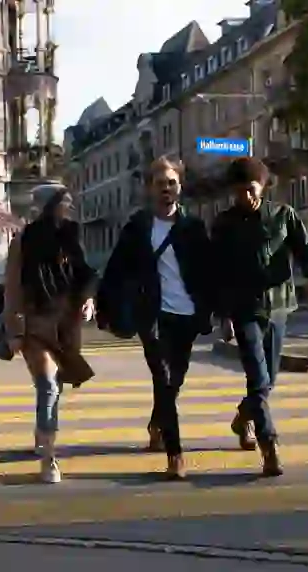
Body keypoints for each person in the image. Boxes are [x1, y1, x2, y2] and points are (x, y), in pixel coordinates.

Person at [97, 156, 213, 479]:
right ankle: (175, 454)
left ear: (180, 186)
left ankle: (156, 422)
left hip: (186, 315)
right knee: (162, 378)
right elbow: (116, 269)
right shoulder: (138, 227)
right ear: (150, 188)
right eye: (160, 183)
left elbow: (208, 273)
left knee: (174, 381)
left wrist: (218, 310)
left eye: (171, 183)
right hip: (153, 315)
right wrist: (102, 306)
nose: (166, 189)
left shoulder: (193, 227)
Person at [211, 157, 308, 476]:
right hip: (244, 308)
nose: (245, 197)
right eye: (238, 192)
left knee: (268, 382)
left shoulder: (282, 216)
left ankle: (242, 418)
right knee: (258, 379)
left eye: (250, 190)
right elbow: (218, 273)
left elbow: (306, 250)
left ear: (262, 187)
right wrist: (223, 315)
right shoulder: (224, 224)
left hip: (278, 307)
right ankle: (269, 445)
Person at [3, 184, 97, 483]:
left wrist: (88, 299)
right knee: (48, 386)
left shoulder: (71, 235)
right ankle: (49, 459)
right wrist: (15, 329)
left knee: (54, 384)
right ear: (48, 206)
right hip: (35, 322)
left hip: (65, 322)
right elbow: (13, 288)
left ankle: (41, 432)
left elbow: (85, 273)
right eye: (63, 202)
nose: (69, 207)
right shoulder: (23, 241)